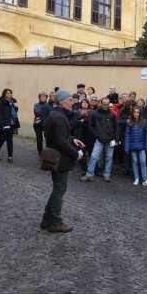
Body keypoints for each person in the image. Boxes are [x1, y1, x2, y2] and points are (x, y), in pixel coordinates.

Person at [41, 89, 84, 233]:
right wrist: (75, 154)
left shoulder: (56, 114)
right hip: (60, 158)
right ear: (60, 101)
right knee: (59, 190)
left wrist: (73, 139)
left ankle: (47, 218)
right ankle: (55, 221)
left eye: (72, 100)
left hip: (58, 157)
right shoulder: (59, 117)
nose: (73, 103)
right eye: (70, 100)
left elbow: (60, 136)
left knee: (57, 189)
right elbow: (60, 142)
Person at [81, 96, 119, 182]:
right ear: (101, 104)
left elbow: (116, 128)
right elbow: (91, 125)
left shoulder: (112, 115)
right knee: (94, 156)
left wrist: (116, 139)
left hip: (110, 139)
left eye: (107, 104)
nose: (105, 106)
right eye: (104, 104)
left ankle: (107, 174)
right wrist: (96, 135)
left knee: (109, 157)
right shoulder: (95, 113)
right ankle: (89, 174)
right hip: (99, 139)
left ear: (109, 104)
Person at [125, 106, 147, 186]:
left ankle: (145, 179)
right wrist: (127, 148)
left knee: (143, 162)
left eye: (138, 112)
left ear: (140, 113)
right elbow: (127, 136)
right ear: (132, 113)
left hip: (142, 146)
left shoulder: (144, 122)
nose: (136, 114)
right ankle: (136, 178)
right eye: (135, 112)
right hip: (133, 146)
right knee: (135, 162)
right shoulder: (130, 122)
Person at [0, 88, 19, 162]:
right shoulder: (0, 103)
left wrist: (16, 107)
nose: (9, 94)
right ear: (4, 94)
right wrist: (2, 125)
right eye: (8, 93)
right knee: (2, 139)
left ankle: (10, 156)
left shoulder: (12, 103)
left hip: (11, 124)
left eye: (10, 93)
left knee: (10, 140)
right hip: (2, 125)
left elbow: (14, 113)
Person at [73, 99, 92, 174]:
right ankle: (84, 168)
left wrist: (84, 120)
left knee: (91, 152)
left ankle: (94, 168)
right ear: (81, 104)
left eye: (86, 102)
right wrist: (85, 121)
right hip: (80, 134)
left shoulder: (91, 112)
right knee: (82, 151)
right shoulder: (77, 112)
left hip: (89, 134)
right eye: (83, 102)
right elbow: (76, 122)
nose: (85, 104)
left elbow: (92, 121)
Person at [33, 92, 48, 156]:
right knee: (39, 139)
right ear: (39, 97)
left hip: (46, 123)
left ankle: (48, 152)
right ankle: (40, 152)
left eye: (45, 96)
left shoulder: (48, 105)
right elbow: (37, 112)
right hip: (38, 124)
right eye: (42, 96)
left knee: (48, 139)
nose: (43, 98)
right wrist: (44, 112)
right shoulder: (36, 105)